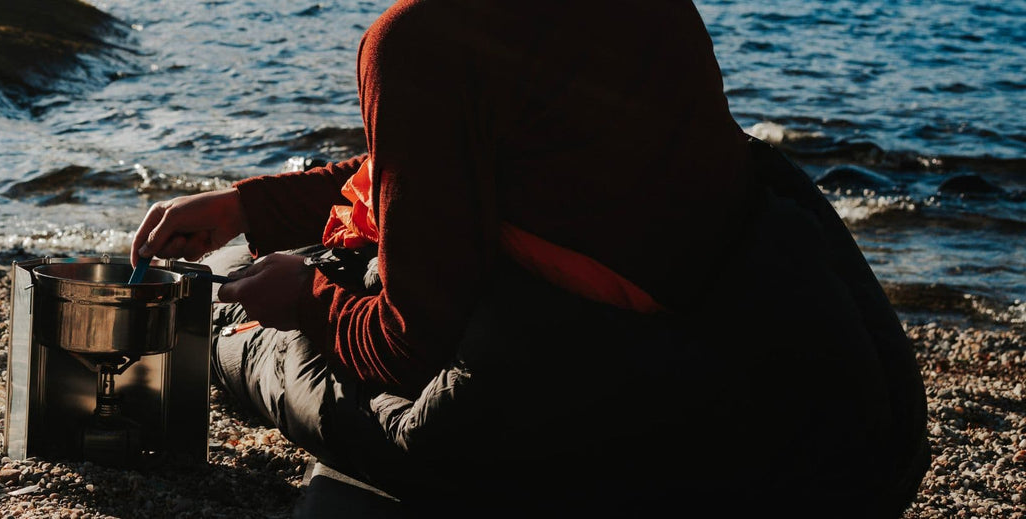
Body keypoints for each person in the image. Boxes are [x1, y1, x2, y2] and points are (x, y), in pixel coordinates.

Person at [130, 0, 929, 515]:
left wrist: (303, 299)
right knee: (334, 262)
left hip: (648, 440)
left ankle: (219, 349)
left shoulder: (415, 40)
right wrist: (247, 207)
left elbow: (405, 348)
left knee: (272, 332)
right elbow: (451, 172)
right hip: (833, 432)